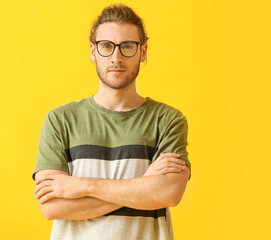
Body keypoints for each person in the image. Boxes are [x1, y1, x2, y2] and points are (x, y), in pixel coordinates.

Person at [32, 3, 191, 240]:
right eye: (107, 46)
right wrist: (144, 185)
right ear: (93, 51)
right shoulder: (60, 120)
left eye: (127, 46)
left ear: (143, 51)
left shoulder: (168, 120)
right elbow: (53, 207)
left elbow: (168, 193)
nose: (116, 57)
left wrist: (82, 186)